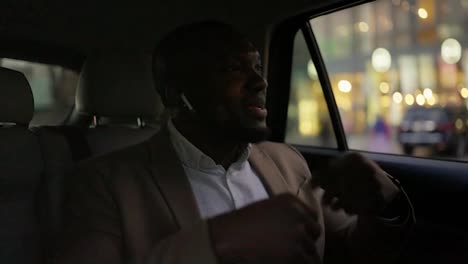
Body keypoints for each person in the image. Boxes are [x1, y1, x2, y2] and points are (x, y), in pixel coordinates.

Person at [57, 21, 414, 264]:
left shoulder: (287, 162)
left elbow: (354, 249)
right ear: (176, 94)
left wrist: (386, 203)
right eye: (232, 68)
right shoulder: (101, 184)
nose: (260, 82)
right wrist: (216, 244)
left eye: (257, 67)